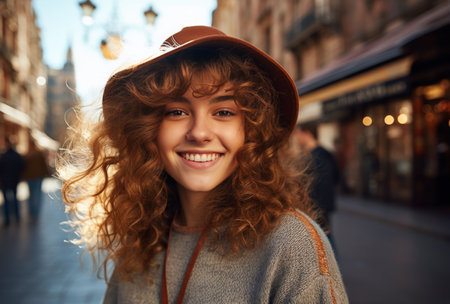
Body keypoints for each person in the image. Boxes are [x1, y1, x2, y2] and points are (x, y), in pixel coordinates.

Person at [59, 26, 348, 303]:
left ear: (252, 131)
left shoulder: (291, 244)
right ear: (147, 131)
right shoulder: (138, 242)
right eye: (176, 112)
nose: (199, 132)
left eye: (223, 112)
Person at [295, 124, 340, 251]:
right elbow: (336, 177)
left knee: (324, 239)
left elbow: (318, 183)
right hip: (319, 205)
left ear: (307, 134)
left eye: (298, 134)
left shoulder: (316, 156)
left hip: (317, 206)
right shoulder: (323, 153)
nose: (297, 138)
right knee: (323, 238)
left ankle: (331, 269)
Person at [22, 138, 50, 221]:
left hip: (31, 177)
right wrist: (47, 173)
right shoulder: (38, 154)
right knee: (37, 195)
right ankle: (35, 213)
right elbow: (44, 165)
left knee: (31, 195)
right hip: (37, 177)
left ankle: (32, 212)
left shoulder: (27, 154)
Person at [0, 137, 25, 226]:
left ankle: (7, 220)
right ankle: (17, 218)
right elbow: (22, 167)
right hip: (14, 181)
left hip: (5, 181)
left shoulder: (4, 156)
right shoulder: (16, 155)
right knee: (14, 199)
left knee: (6, 201)